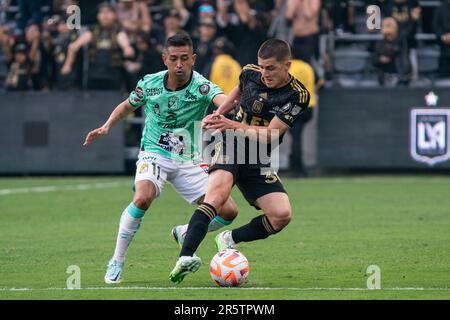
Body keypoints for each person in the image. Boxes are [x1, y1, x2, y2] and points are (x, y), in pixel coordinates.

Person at [83, 32, 238, 284]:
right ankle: (117, 260)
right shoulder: (150, 84)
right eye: (174, 58)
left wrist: (222, 111)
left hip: (188, 159)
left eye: (184, 59)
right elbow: (126, 106)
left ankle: (185, 233)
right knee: (143, 197)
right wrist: (107, 126)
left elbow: (222, 100)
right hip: (154, 153)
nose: (179, 64)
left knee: (229, 210)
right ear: (165, 59)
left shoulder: (202, 87)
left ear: (193, 59)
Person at [169, 38, 311, 284]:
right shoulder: (250, 73)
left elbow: (272, 133)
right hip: (229, 142)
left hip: (257, 154)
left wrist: (231, 122)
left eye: (271, 68)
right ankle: (185, 257)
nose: (264, 73)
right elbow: (237, 92)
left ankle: (228, 240)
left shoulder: (297, 95)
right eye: (262, 67)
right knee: (217, 196)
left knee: (281, 215)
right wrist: (219, 113)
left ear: (287, 65)